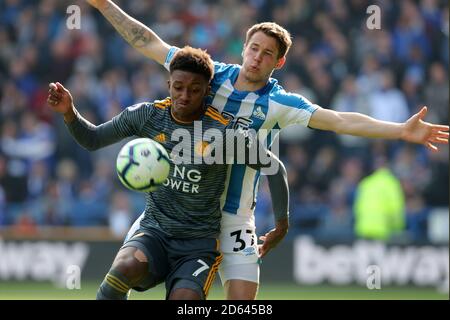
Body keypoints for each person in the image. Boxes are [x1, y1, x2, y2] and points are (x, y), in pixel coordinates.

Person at [86, 0, 450, 300]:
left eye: (267, 54)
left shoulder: (280, 103)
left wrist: (401, 130)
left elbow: (339, 119)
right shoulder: (209, 76)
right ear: (244, 49)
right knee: (130, 274)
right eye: (254, 48)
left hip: (238, 220)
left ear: (279, 62)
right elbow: (147, 41)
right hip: (184, 211)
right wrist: (104, 6)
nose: (257, 57)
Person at [47, 46, 289, 300]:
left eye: (195, 90)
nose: (184, 96)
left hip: (198, 244)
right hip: (154, 231)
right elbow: (93, 139)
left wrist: (281, 225)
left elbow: (275, 168)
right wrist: (69, 113)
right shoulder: (147, 116)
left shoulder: (224, 132)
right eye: (178, 87)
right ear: (168, 84)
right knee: (123, 270)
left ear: (207, 91)